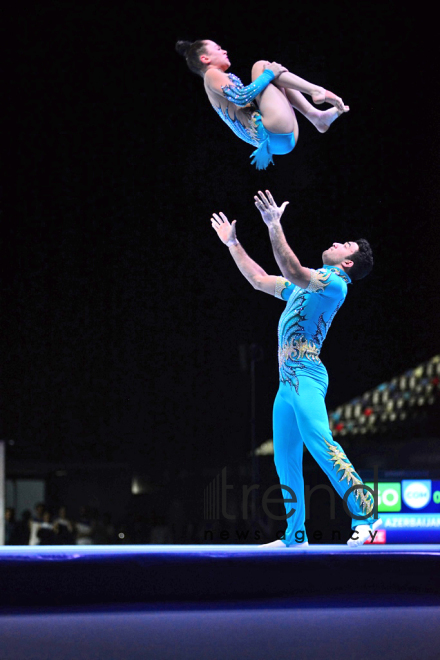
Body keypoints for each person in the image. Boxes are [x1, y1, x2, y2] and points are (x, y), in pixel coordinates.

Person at [210, 190, 381, 547]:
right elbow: (260, 279)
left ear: (348, 263)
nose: (336, 242)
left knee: (321, 443)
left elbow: (290, 267)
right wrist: (232, 243)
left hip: (307, 375)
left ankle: (368, 519)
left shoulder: (334, 284)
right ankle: (295, 537)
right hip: (286, 384)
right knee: (285, 461)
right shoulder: (304, 288)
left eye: (344, 244)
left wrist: (275, 225)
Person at [176, 39, 349, 169]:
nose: (224, 51)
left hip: (277, 142)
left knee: (271, 77)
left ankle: (315, 116)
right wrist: (268, 74)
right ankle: (316, 93)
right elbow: (241, 97)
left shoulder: (215, 79)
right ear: (205, 58)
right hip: (271, 130)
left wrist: (270, 76)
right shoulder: (211, 74)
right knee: (261, 66)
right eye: (218, 49)